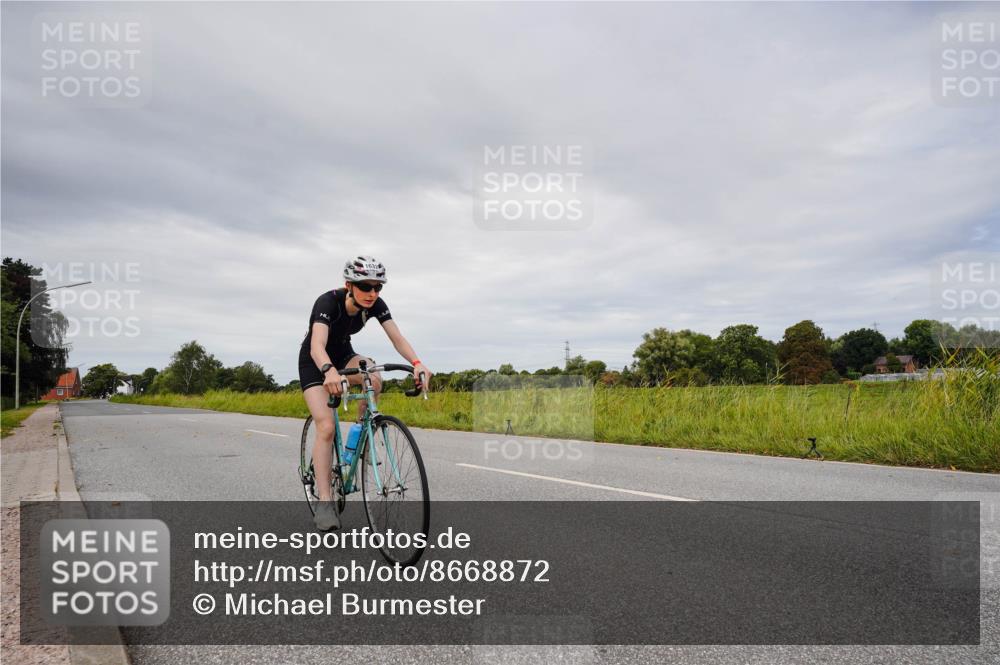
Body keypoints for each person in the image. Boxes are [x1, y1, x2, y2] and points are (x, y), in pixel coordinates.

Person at [299, 255, 432, 531]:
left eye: (377, 287)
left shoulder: (376, 305)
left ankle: (363, 433)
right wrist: (328, 371)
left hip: (344, 355)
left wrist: (417, 363)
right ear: (349, 285)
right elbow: (317, 345)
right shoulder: (327, 302)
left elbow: (397, 338)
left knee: (373, 376)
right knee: (326, 427)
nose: (372, 293)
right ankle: (325, 501)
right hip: (316, 361)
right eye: (365, 286)